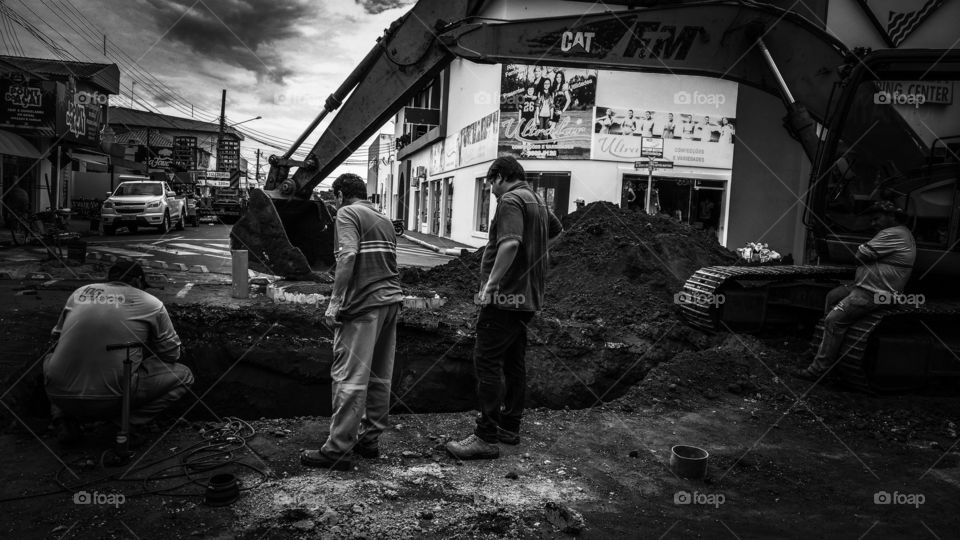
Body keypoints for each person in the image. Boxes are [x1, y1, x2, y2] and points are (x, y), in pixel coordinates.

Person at [446, 156, 563, 460]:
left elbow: (509, 244)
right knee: (513, 361)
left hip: (506, 297)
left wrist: (491, 285)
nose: (493, 192)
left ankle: (485, 436)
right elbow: (556, 229)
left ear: (499, 176)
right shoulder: (537, 200)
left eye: (491, 185)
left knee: (486, 361)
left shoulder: (511, 200)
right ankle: (509, 426)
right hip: (529, 297)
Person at [301, 173, 403, 471]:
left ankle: (338, 449)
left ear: (341, 194)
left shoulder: (347, 213)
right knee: (379, 376)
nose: (334, 203)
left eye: (334, 197)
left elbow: (348, 256)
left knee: (350, 378)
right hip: (390, 302)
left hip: (363, 306)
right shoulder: (382, 217)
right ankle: (369, 440)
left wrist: (335, 302)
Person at [43, 261, 193, 444]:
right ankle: (122, 424)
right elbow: (171, 355)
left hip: (60, 396)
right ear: (138, 281)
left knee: (51, 357)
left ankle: (63, 421)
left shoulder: (80, 293)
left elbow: (55, 340)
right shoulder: (150, 302)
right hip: (111, 398)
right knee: (184, 376)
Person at [794, 201, 916, 381]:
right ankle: (820, 348)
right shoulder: (893, 233)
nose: (872, 223)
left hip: (876, 293)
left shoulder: (893, 233)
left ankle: (818, 370)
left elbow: (860, 255)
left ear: (892, 216)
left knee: (834, 320)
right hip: (864, 287)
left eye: (877, 218)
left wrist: (864, 249)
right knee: (833, 296)